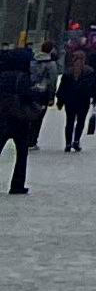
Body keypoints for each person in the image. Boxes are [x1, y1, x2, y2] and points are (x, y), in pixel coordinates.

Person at [0, 46, 41, 195]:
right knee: (21, 154)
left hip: (2, 118)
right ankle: (17, 184)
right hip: (19, 119)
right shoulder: (23, 77)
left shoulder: (2, 74)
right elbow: (28, 96)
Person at [57, 48, 96, 153]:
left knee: (69, 121)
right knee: (80, 121)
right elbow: (94, 87)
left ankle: (68, 143)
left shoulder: (68, 72)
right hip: (83, 100)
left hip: (70, 101)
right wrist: (95, 97)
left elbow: (62, 88)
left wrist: (60, 101)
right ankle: (76, 140)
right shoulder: (90, 72)